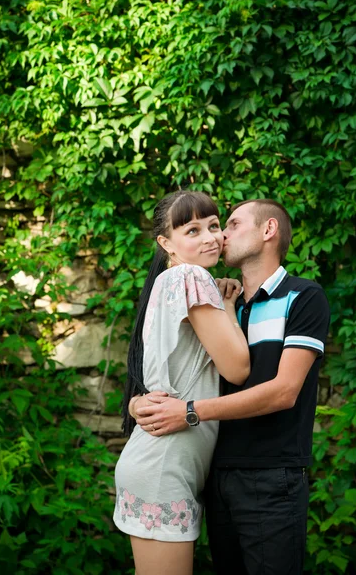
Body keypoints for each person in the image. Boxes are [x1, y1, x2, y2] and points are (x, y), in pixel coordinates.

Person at [135, 198, 331, 575]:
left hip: (272, 476)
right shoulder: (222, 302)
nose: (220, 234)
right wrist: (137, 404)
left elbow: (283, 391)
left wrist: (189, 411)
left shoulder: (303, 297)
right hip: (215, 475)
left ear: (268, 230)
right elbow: (168, 367)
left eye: (232, 224)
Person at [113, 191, 250, 575]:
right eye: (193, 229)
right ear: (166, 243)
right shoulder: (190, 277)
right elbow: (237, 368)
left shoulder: (167, 283)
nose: (210, 237)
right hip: (164, 465)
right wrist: (227, 306)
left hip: (163, 460)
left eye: (214, 225)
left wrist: (134, 404)